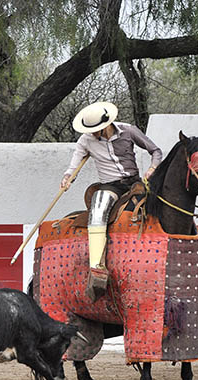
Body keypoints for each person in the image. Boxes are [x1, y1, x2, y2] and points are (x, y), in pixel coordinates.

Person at [61, 101, 163, 301]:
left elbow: (156, 151)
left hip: (135, 182)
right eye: (90, 131)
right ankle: (97, 267)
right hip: (110, 185)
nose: (93, 134)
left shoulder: (128, 131)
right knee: (98, 210)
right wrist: (67, 177)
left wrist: (152, 169)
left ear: (107, 124)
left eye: (96, 130)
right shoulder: (85, 141)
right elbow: (74, 162)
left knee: (160, 205)